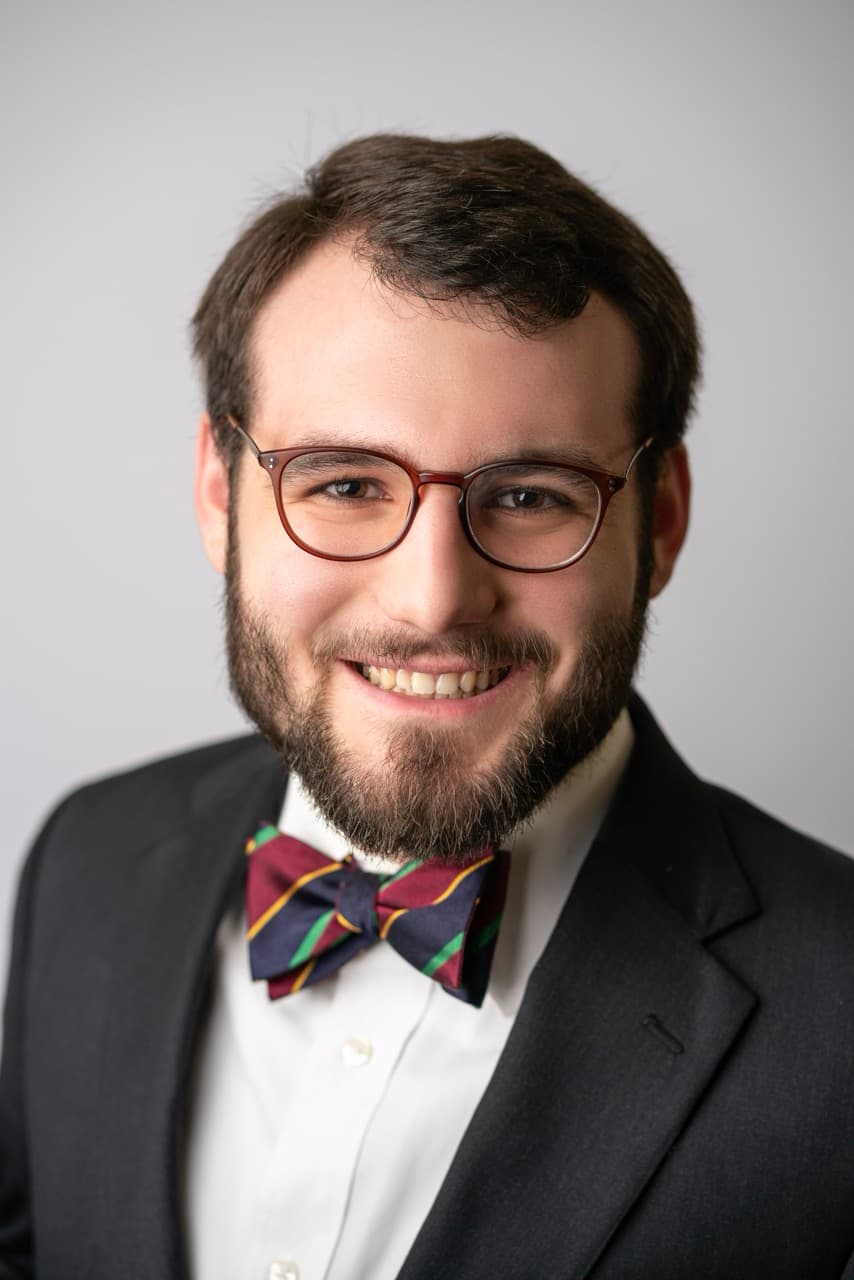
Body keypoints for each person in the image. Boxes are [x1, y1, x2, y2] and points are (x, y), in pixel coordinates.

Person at [2, 133, 854, 1280]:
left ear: (657, 522)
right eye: (344, 482)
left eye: (530, 496)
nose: (432, 597)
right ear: (219, 495)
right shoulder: (86, 858)